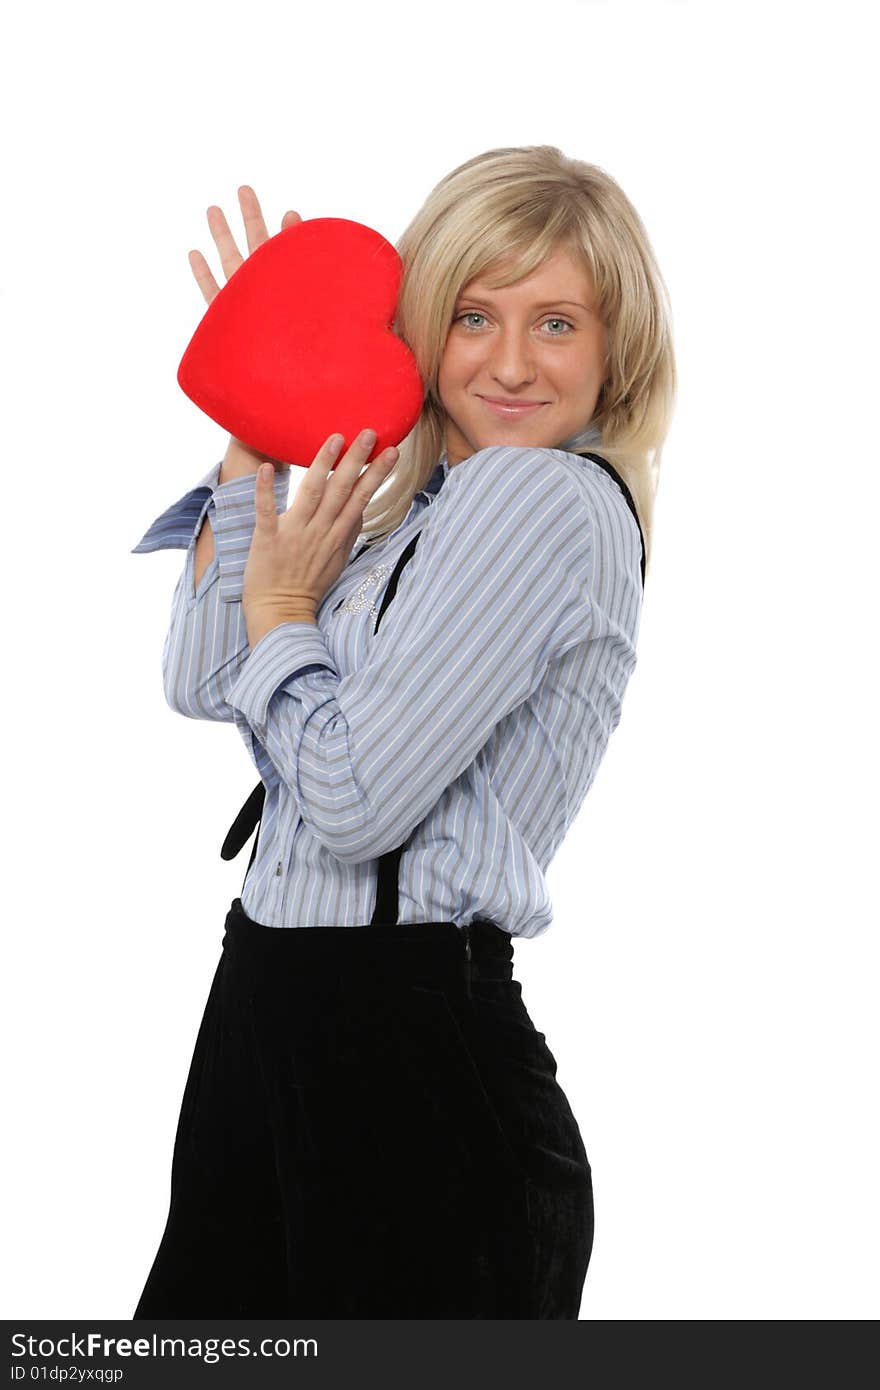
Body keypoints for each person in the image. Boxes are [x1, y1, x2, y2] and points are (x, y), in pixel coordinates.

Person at [129, 145, 676, 1319]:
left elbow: (351, 797)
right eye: (474, 313)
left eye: (558, 323)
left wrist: (282, 612)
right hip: (265, 1020)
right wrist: (262, 427)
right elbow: (197, 674)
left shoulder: (541, 497)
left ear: (615, 350)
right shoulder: (401, 512)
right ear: (422, 327)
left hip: (409, 1070)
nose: (512, 361)